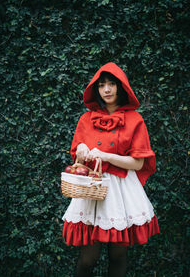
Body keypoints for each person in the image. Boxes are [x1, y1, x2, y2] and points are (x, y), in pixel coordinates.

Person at [62, 62, 160, 277]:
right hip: (92, 190)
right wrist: (81, 150)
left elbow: (138, 163)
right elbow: (77, 155)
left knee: (118, 256)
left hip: (122, 191)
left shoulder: (135, 120)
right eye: (102, 85)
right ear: (96, 89)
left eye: (112, 84)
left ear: (121, 87)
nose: (106, 90)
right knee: (88, 259)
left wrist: (106, 156)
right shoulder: (86, 119)